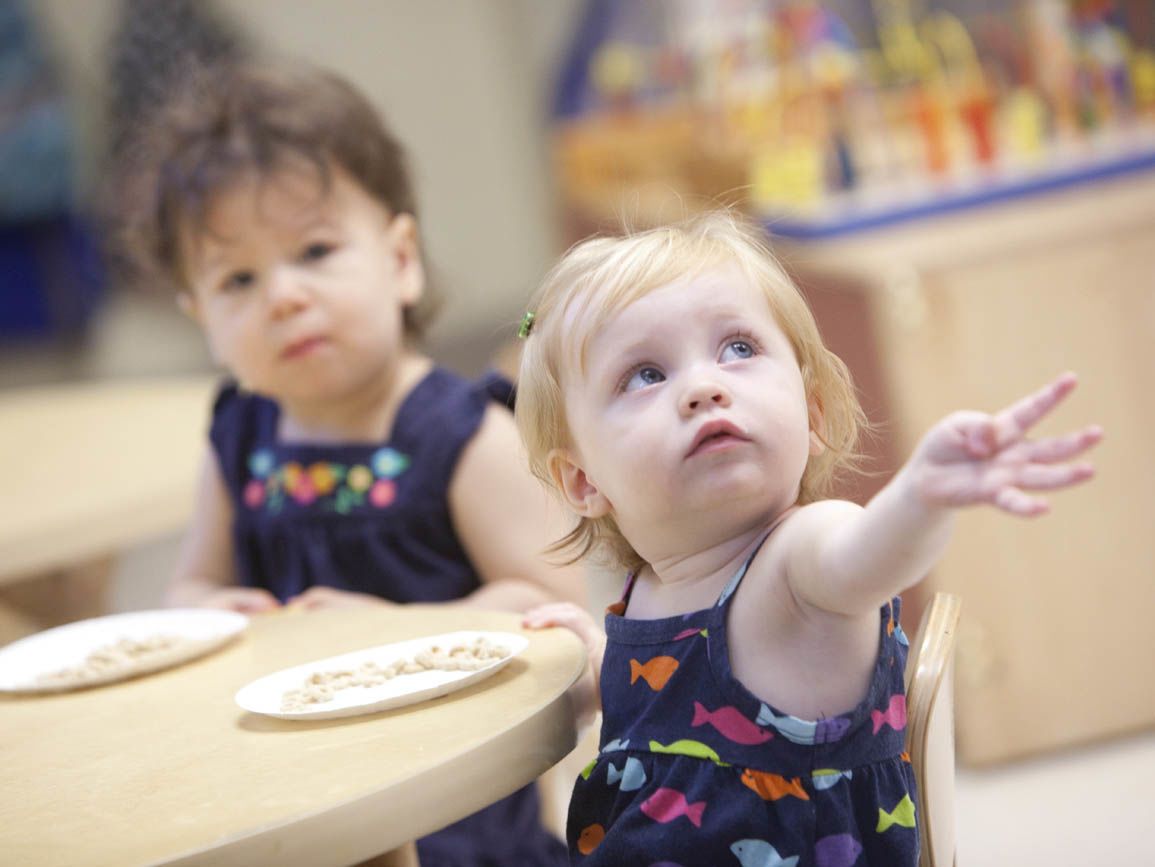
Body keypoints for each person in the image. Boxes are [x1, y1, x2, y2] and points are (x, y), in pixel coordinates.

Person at [515, 210, 1101, 865]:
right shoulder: (651, 588)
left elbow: (865, 556)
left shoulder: (799, 562)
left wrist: (920, 494)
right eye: (645, 374)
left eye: (738, 347)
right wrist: (600, 659)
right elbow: (674, 690)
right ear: (582, 480)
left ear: (813, 413)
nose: (704, 387)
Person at [114, 60, 581, 867]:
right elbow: (189, 585)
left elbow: (553, 610)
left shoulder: (460, 435)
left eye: (316, 250)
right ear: (201, 317)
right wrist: (220, 614)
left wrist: (391, 631)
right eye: (238, 278)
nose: (283, 296)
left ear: (401, 259)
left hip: (451, 808)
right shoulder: (241, 436)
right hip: (298, 798)